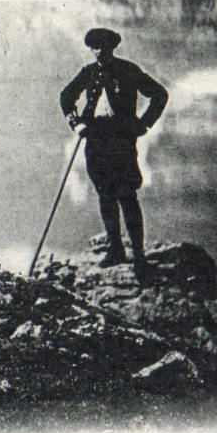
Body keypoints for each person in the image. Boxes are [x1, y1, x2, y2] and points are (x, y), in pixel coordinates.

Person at [59, 27, 167, 280]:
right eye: (95, 47)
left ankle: (139, 255)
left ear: (112, 48)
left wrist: (144, 123)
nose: (99, 51)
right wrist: (75, 122)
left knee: (127, 195)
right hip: (95, 138)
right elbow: (66, 96)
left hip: (121, 139)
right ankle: (116, 249)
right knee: (104, 194)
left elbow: (160, 94)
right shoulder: (88, 73)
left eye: (103, 47)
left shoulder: (128, 70)